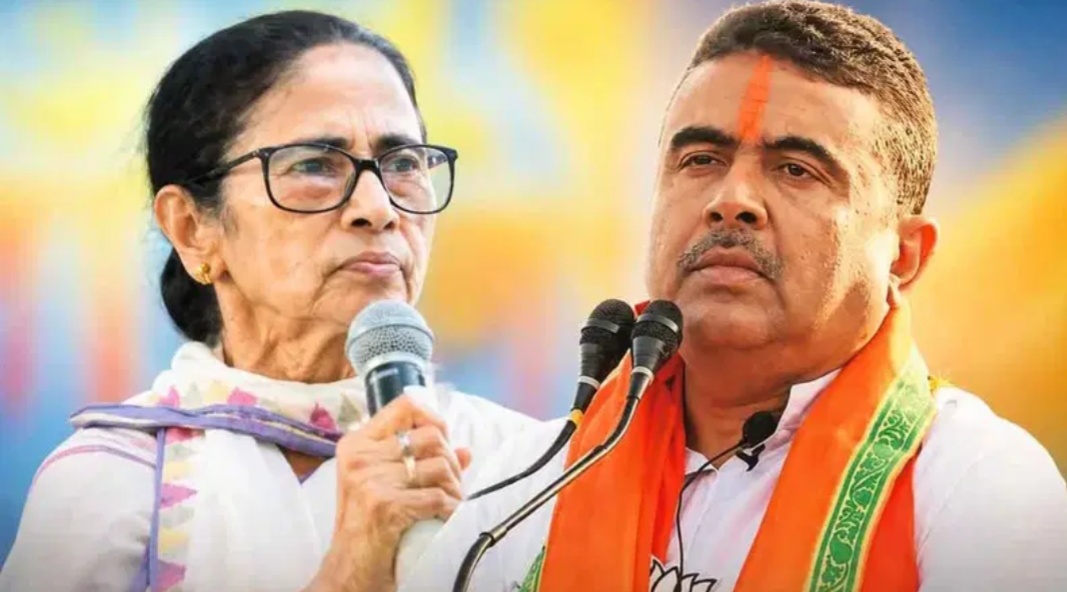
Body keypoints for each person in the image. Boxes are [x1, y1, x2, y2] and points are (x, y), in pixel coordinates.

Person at [401, 1, 1067, 591]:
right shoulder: (527, 483)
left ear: (905, 254)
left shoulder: (978, 490)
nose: (731, 199)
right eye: (701, 160)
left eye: (796, 170)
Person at [0, 10, 536, 592]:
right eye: (314, 165)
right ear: (192, 229)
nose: (378, 208)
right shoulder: (108, 491)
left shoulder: (528, 467)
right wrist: (351, 571)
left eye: (403, 163)